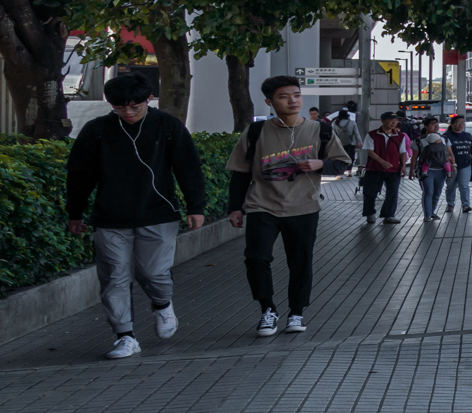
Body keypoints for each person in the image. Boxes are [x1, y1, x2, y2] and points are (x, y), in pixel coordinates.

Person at [65, 72, 207, 360]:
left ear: (149, 99)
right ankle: (125, 336)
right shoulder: (97, 130)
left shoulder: (167, 126)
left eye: (134, 106)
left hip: (158, 213)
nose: (127, 113)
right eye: (119, 107)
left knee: (152, 272)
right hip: (110, 217)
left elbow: (188, 167)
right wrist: (75, 213)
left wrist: (196, 207)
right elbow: (79, 175)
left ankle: (162, 303)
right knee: (114, 277)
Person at [225, 74, 352, 338]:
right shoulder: (257, 131)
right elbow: (240, 173)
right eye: (284, 96)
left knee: (300, 262)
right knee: (256, 258)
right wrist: (235, 207)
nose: (292, 101)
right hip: (262, 205)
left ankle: (296, 311)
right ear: (269, 102)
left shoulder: (320, 130)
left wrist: (320, 164)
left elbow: (342, 163)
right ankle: (267, 310)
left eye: (296, 95)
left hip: (304, 207)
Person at [359, 112, 411, 223]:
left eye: (396, 120)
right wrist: (382, 162)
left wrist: (403, 166)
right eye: (391, 120)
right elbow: (370, 151)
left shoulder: (400, 136)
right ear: (382, 120)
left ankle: (389, 215)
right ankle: (369, 213)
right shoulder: (372, 134)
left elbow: (402, 152)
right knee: (370, 192)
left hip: (393, 168)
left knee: (392, 192)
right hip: (374, 168)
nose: (394, 122)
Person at [415, 118, 452, 221]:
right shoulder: (420, 140)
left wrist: (453, 165)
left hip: (441, 170)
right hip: (427, 171)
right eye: (433, 124)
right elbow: (414, 157)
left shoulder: (444, 139)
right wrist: (411, 171)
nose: (436, 126)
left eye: (437, 124)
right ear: (425, 126)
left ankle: (431, 212)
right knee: (428, 192)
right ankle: (427, 214)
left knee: (437, 192)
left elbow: (450, 153)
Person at [442, 115, 472, 214]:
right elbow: (445, 152)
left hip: (465, 164)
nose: (461, 125)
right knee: (451, 185)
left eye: (462, 122)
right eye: (458, 122)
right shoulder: (447, 136)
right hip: (451, 165)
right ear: (452, 124)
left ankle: (465, 204)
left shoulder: (468, 136)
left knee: (464, 185)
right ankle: (450, 204)